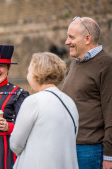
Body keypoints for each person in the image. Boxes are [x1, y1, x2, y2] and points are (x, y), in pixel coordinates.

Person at [10, 52, 79, 169]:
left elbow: (15, 144)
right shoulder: (70, 102)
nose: (27, 76)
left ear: (38, 73)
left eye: (29, 71)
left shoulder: (33, 101)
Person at [62, 16, 112, 169]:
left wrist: (109, 155)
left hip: (90, 150)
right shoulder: (77, 62)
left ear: (87, 39)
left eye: (71, 37)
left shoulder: (107, 64)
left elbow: (111, 111)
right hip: (70, 145)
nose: (66, 42)